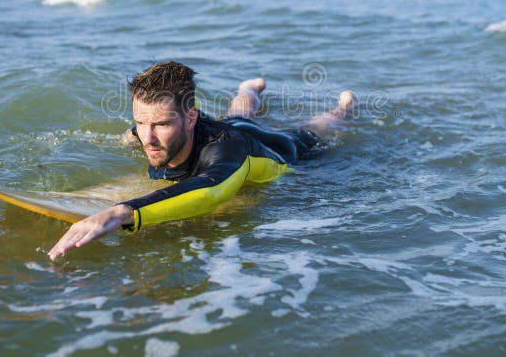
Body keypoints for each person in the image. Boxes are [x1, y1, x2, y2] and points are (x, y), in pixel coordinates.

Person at [48, 61, 356, 260]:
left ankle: (343, 109)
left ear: (190, 117)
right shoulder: (157, 126)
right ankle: (249, 88)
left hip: (275, 146)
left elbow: (210, 191)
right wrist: (130, 135)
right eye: (141, 123)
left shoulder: (227, 153)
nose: (149, 138)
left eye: (162, 125)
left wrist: (120, 213)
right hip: (221, 126)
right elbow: (148, 127)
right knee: (238, 112)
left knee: (311, 129)